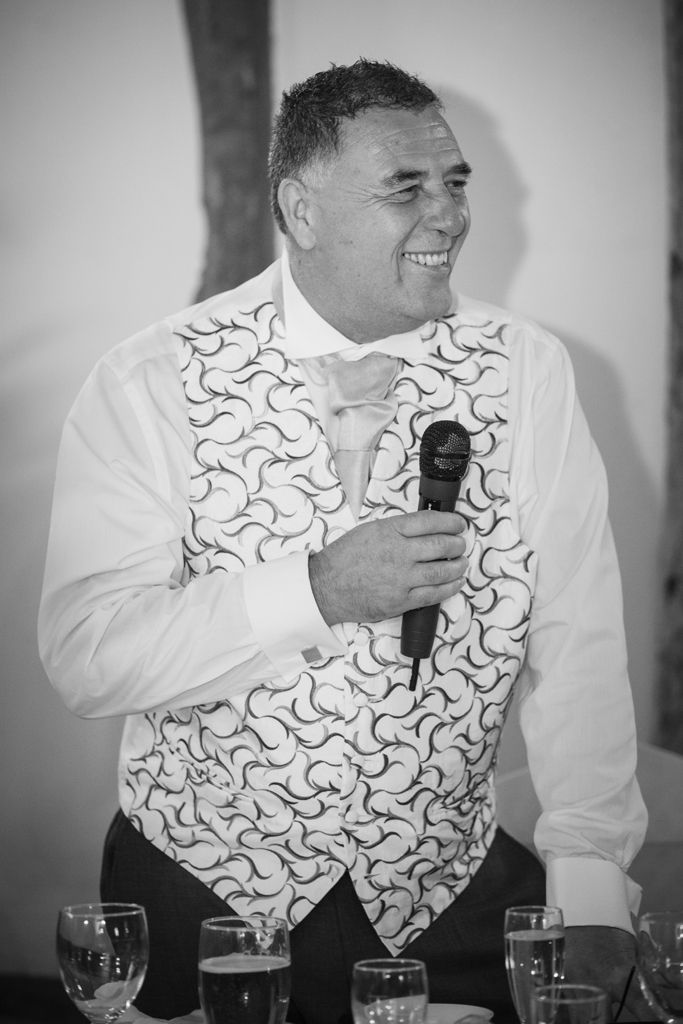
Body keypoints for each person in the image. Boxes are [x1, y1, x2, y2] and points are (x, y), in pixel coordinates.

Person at [39, 60, 648, 1023]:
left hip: (452, 902)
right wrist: (316, 589)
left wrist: (591, 887)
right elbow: (87, 656)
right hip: (202, 896)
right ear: (302, 210)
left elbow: (577, 641)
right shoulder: (149, 380)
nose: (449, 214)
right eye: (405, 188)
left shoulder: (525, 370)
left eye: (453, 182)